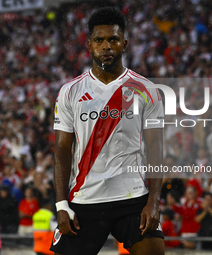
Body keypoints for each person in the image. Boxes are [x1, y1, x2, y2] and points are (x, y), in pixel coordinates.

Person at [50, 7, 164, 255]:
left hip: (133, 197)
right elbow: (61, 149)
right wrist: (61, 204)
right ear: (89, 45)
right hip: (85, 199)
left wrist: (154, 202)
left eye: (113, 39)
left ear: (124, 43)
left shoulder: (147, 89)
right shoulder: (70, 92)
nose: (106, 46)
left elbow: (156, 148)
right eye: (99, 40)